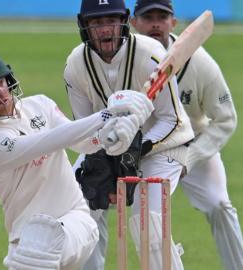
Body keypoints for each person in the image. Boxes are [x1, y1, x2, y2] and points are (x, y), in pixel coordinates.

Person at [0, 50, 155, 270]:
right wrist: (106, 116)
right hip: (26, 241)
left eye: (1, 82)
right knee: (37, 244)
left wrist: (112, 134)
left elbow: (84, 143)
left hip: (75, 220)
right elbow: (51, 140)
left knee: (43, 242)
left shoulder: (40, 104)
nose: (0, 92)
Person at [64, 0, 195, 269]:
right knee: (76, 212)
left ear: (123, 21)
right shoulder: (76, 64)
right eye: (97, 23)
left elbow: (173, 119)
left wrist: (139, 148)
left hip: (164, 145)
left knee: (148, 225)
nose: (104, 29)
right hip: (108, 147)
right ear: (84, 26)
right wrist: (108, 151)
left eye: (110, 21)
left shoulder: (150, 54)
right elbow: (84, 127)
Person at [131, 0, 243, 269]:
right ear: (133, 23)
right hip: (143, 149)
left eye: (161, 17)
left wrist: (192, 156)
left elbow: (225, 119)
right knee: (144, 216)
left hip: (191, 143)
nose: (155, 24)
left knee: (219, 205)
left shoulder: (200, 64)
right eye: (147, 17)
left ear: (173, 23)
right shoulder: (125, 60)